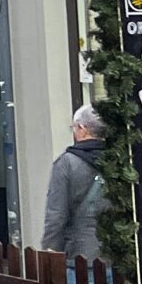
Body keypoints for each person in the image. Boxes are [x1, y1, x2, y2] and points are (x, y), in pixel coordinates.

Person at [42, 104, 106, 262]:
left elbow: (56, 215)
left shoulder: (66, 163)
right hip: (116, 257)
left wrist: (50, 251)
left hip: (79, 256)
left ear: (82, 129)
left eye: (74, 127)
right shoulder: (118, 161)